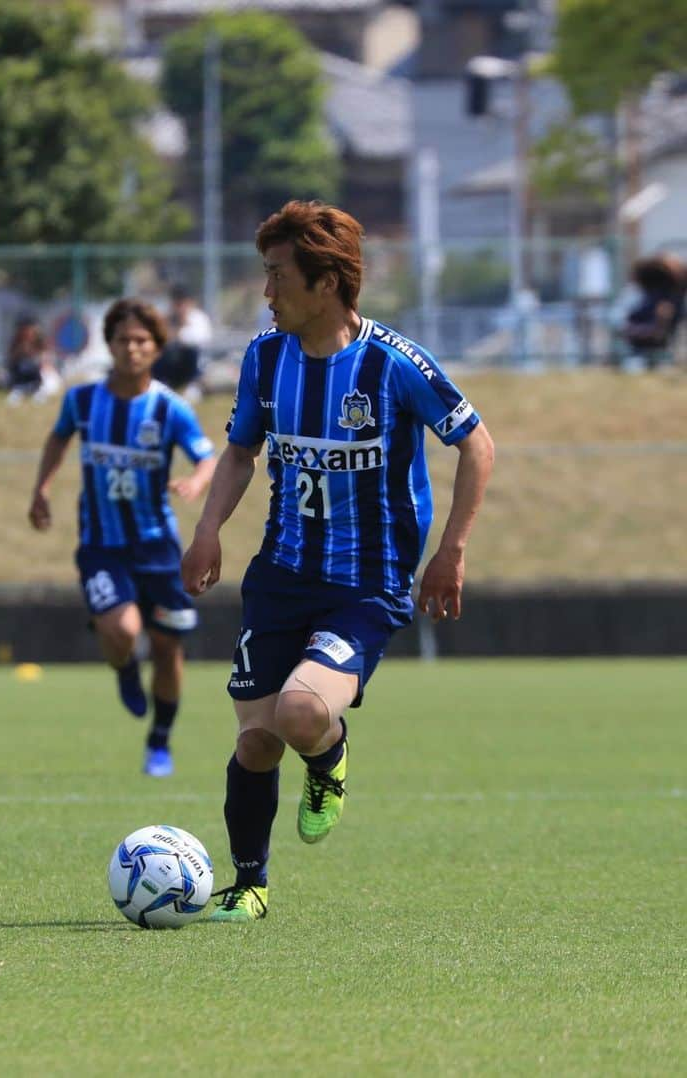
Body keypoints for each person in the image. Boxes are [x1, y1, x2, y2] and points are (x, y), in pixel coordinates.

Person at [181, 200, 495, 922]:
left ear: (326, 283)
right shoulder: (266, 356)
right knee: (256, 739)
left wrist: (451, 549)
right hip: (281, 577)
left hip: (368, 584)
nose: (266, 292)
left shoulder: (393, 363)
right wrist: (207, 530)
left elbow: (476, 444)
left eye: (277, 275)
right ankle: (250, 884)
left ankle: (328, 756)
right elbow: (240, 451)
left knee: (299, 713)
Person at [28, 298, 216, 777]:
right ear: (108, 345)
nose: (131, 349)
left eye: (141, 341)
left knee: (170, 648)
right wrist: (42, 489)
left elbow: (207, 456)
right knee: (123, 630)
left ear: (155, 348)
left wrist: (196, 481)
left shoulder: (169, 407)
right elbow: (58, 438)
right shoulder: (83, 400)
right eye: (122, 340)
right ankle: (126, 669)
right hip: (101, 546)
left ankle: (160, 741)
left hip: (158, 548)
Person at [620, 253, 685, 370]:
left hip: (654, 341)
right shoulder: (648, 296)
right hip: (638, 336)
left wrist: (659, 326)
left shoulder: (671, 299)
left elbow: (659, 330)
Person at [152, 285, 213, 399]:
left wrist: (181, 326)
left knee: (191, 350)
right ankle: (162, 384)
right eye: (176, 303)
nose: (179, 307)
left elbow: (199, 340)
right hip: (170, 365)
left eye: (182, 302)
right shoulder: (166, 318)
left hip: (193, 365)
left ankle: (193, 386)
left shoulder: (198, 318)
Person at [5, 315, 61, 405]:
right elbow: (12, 364)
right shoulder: (17, 343)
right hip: (23, 378)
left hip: (41, 376)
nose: (27, 332)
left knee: (49, 381)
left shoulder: (41, 340)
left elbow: (47, 362)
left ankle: (39, 393)